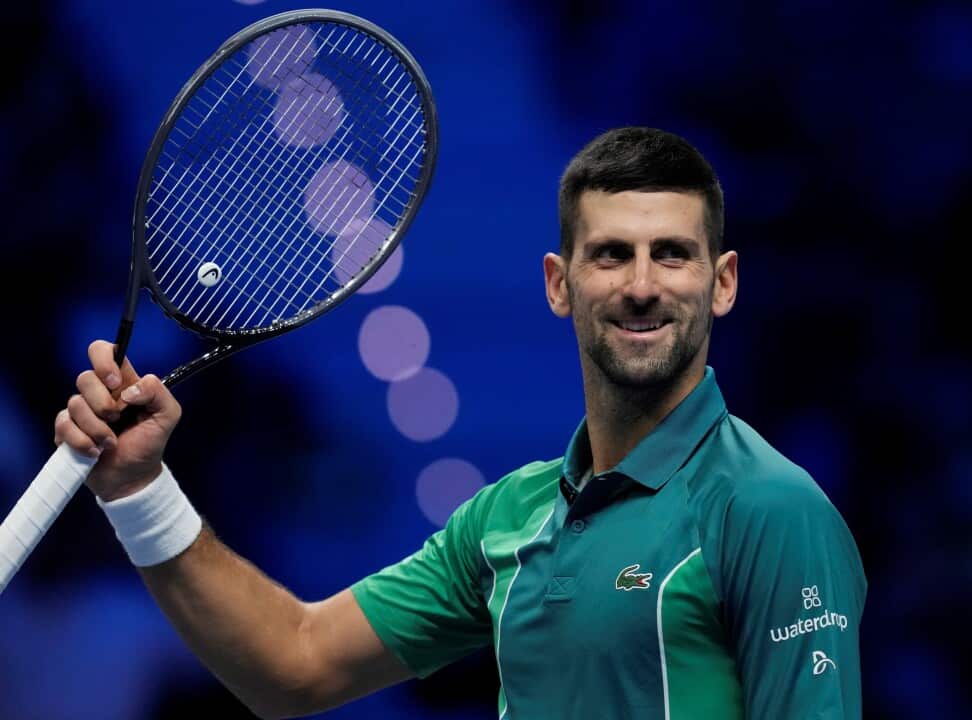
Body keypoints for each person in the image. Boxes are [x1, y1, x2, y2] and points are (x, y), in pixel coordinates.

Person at [55, 127, 868, 719]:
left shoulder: (769, 509)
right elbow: (292, 665)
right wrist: (137, 489)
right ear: (560, 284)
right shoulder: (505, 519)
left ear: (723, 283)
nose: (643, 285)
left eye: (674, 254)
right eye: (612, 254)